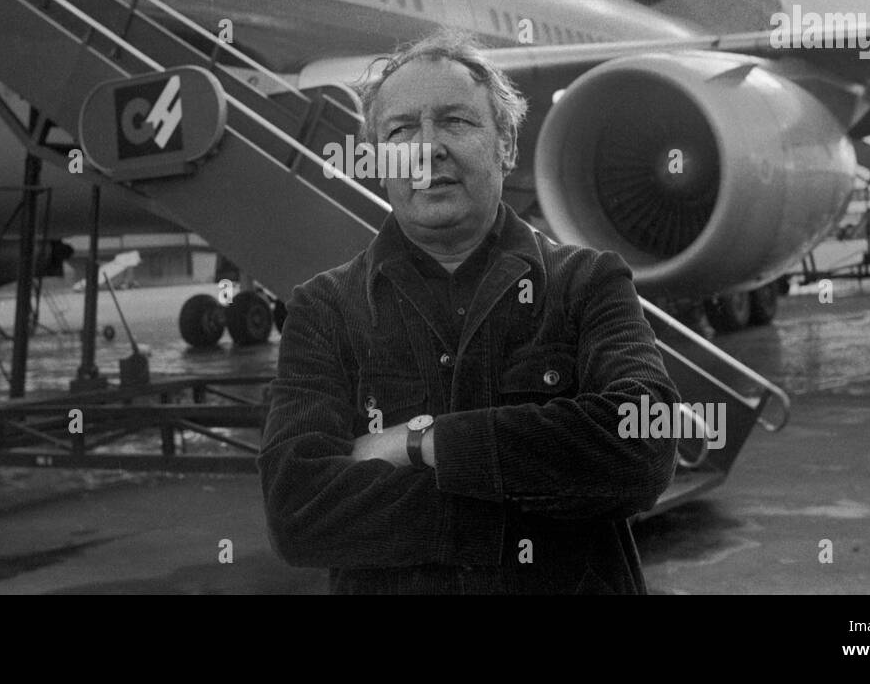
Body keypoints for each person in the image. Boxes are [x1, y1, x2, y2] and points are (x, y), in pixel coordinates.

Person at [258, 30, 679, 594]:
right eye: (402, 130)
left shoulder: (587, 282)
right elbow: (299, 512)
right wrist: (538, 493)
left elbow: (643, 448)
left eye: (456, 122)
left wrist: (423, 442)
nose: (429, 148)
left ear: (506, 145)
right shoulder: (325, 309)